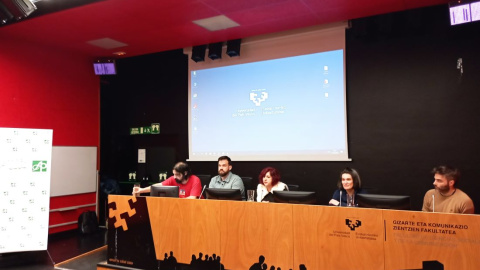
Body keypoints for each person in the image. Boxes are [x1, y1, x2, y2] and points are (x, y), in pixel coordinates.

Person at [132, 162, 201, 199]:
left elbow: (192, 198)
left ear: (185, 173)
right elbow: (158, 186)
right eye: (173, 174)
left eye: (177, 174)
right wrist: (141, 190)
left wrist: (177, 201)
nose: (174, 177)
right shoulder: (173, 178)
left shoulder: (195, 180)